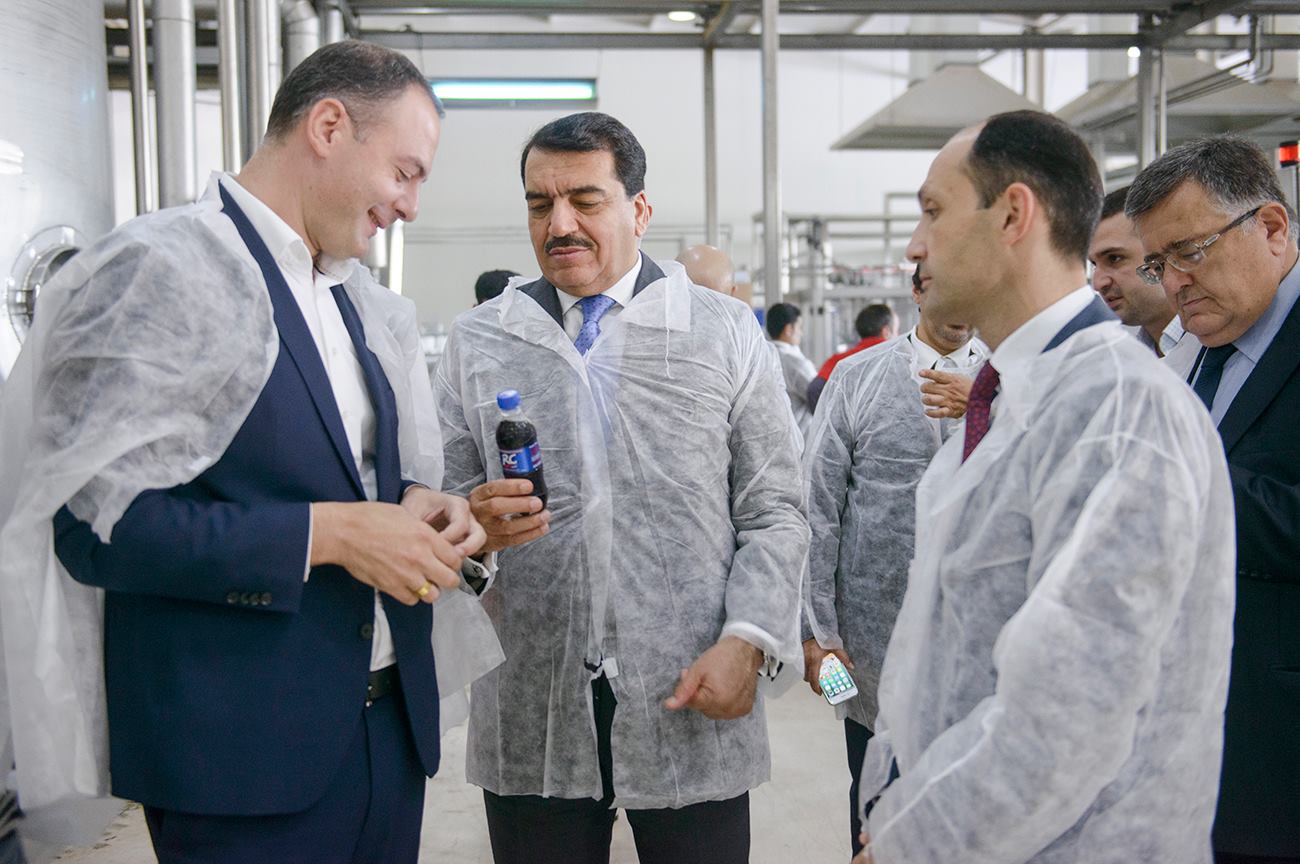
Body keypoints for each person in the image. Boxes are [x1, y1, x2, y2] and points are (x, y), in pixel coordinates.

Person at [0, 41, 490, 864]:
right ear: (328, 127)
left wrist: (416, 503)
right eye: (404, 172)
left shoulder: (354, 298)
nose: (410, 205)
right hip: (241, 759)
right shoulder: (157, 271)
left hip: (385, 736)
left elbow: (344, 471)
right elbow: (94, 529)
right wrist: (329, 535)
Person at [851, 110, 1236, 864]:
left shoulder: (1118, 410)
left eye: (933, 212)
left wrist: (911, 844)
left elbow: (1068, 717)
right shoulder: (1016, 396)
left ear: (1013, 215)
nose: (915, 246)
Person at [435, 111, 808, 864]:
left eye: (585, 200)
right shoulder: (481, 341)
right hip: (533, 698)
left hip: (690, 682)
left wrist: (750, 637)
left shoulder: (721, 331)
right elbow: (439, 509)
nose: (559, 224)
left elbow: (774, 507)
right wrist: (472, 533)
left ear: (639, 210)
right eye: (540, 204)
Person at [1126, 134, 1300, 864]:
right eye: (1158, 264)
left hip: (1277, 752)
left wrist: (1161, 470)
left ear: (1272, 228)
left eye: (1190, 251)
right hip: (1187, 750)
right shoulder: (1196, 354)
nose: (1174, 283)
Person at [802, 269, 983, 857]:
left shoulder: (1014, 379)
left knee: (972, 813)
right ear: (918, 292)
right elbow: (817, 507)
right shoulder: (859, 377)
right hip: (871, 645)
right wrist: (817, 633)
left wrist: (990, 405)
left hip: (982, 647)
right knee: (877, 804)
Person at [1088, 185, 1183, 356]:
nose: (1098, 283)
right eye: (1094, 264)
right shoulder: (1117, 354)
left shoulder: (1220, 342)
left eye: (1114, 258)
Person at [807, 303, 897, 413]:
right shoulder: (898, 361)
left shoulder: (838, 361)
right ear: (886, 332)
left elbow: (815, 390)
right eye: (897, 330)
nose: (898, 335)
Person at [766, 302, 817, 438]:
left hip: (772, 436)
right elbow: (820, 395)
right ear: (789, 329)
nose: (801, 333)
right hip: (799, 440)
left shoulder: (764, 355)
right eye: (799, 327)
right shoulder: (795, 363)